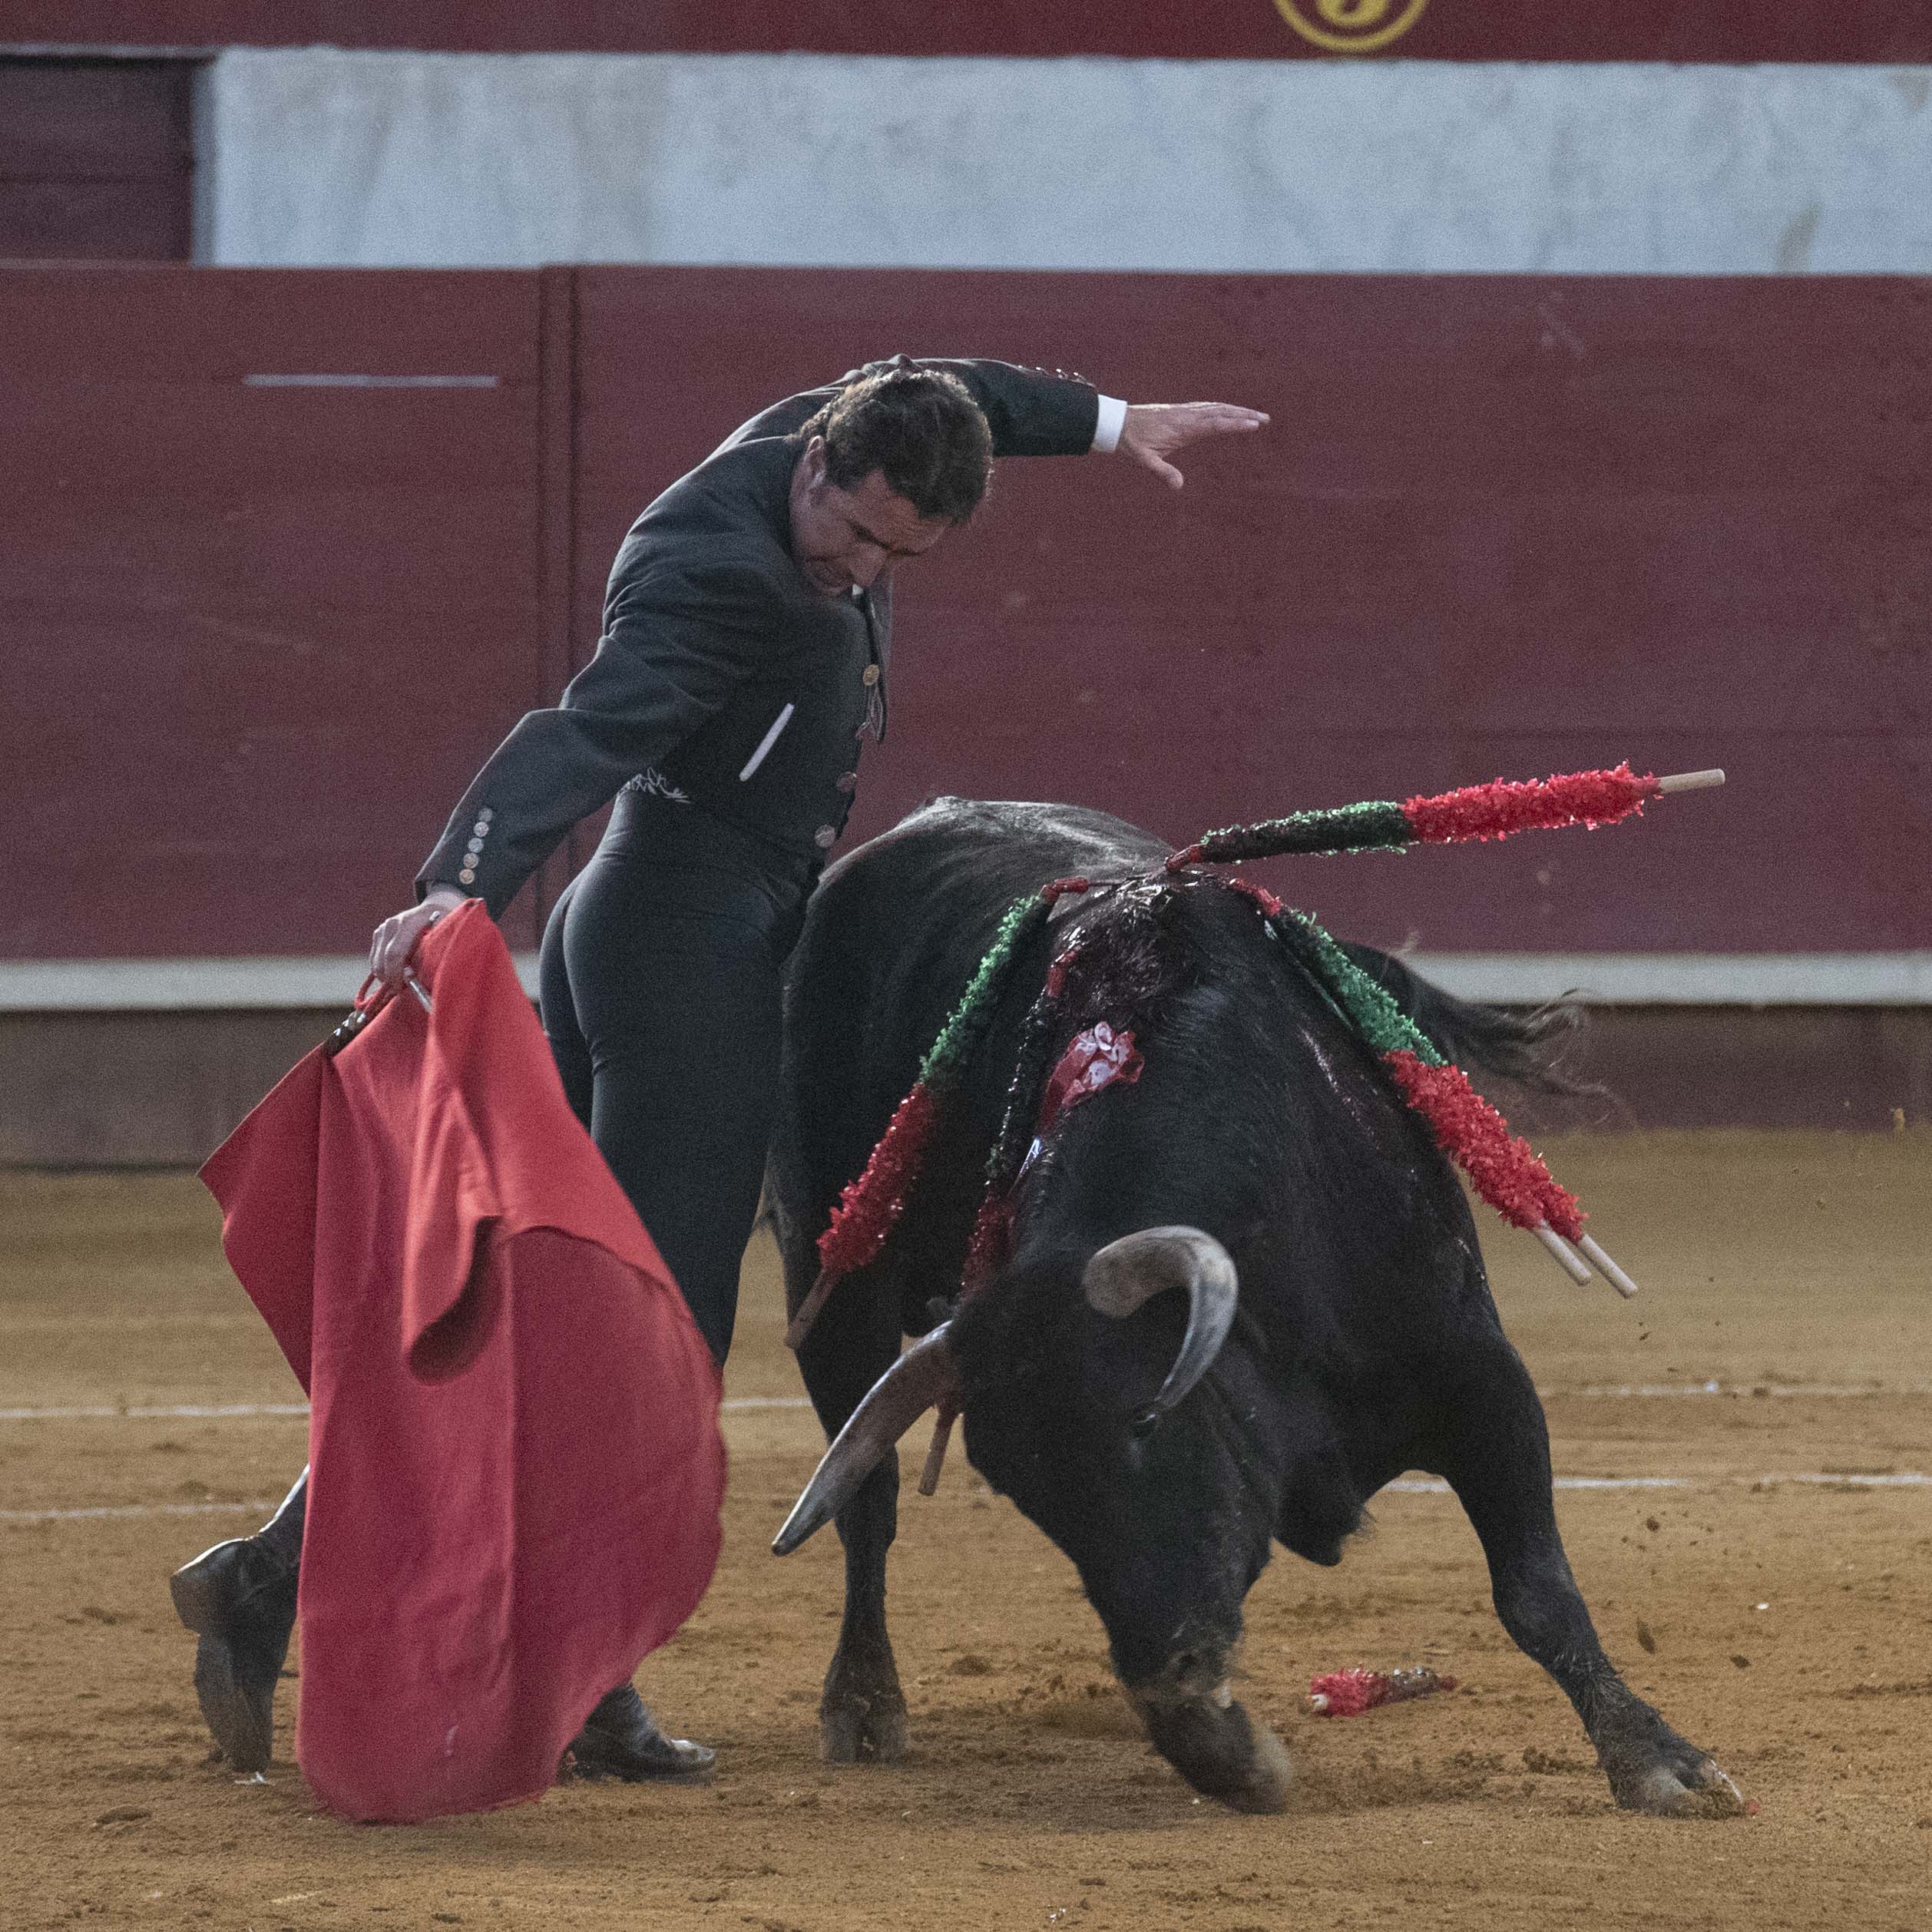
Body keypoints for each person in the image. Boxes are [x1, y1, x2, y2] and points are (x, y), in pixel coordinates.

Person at [170, 355, 1268, 1784]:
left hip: (651, 921)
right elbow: (584, 726)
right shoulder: (720, 574)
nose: (859, 568)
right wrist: (460, 885)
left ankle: (274, 1581)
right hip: (684, 951)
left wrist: (1119, 426)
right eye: (854, 534)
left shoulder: (835, 441)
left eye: (897, 555)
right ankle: (580, 1683)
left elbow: (960, 396)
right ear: (816, 466)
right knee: (651, 1340)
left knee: (559, 1312)